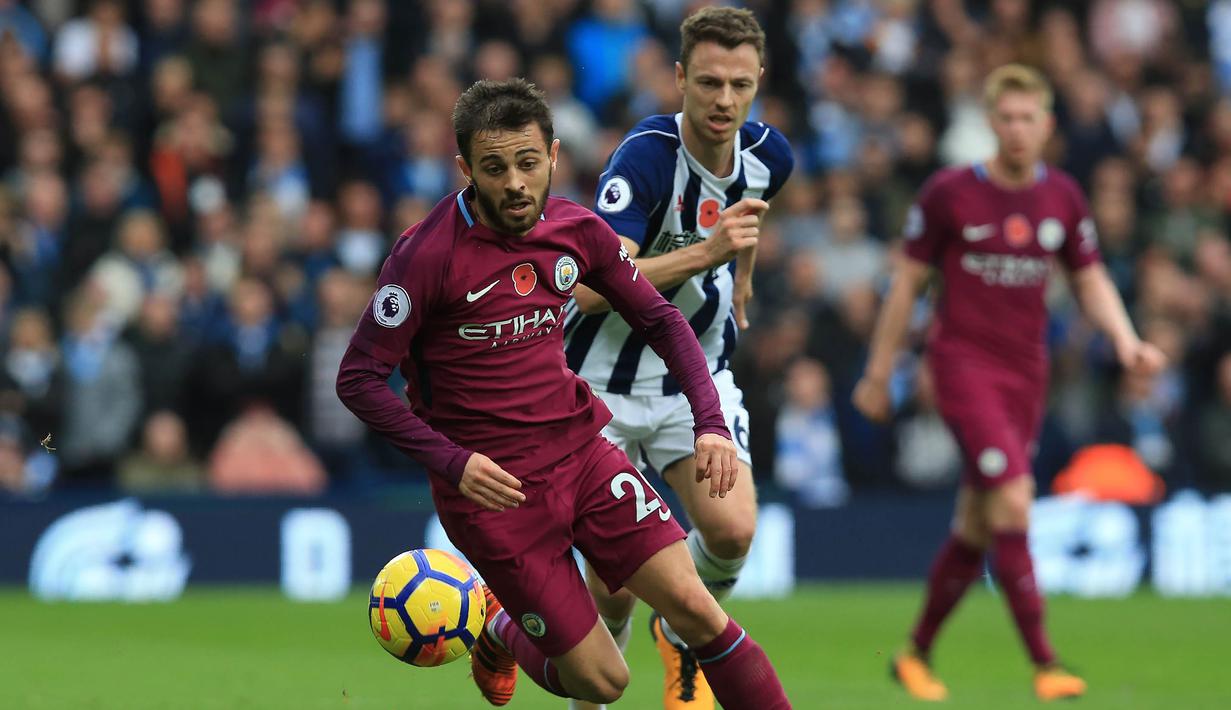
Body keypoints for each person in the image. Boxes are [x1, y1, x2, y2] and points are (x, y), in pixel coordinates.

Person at [336, 78, 790, 709]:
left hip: (584, 456)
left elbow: (661, 320)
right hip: (494, 495)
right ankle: (499, 625)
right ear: (465, 168)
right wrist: (452, 462)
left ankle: (503, 627)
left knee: (697, 609)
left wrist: (709, 422)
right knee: (605, 681)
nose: (516, 183)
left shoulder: (577, 231)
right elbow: (356, 380)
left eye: (528, 163)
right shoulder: (425, 256)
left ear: (552, 155)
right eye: (495, 168)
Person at [852, 64, 1166, 702]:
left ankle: (913, 654)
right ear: (991, 124)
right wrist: (879, 373)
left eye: (1030, 119)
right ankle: (1046, 663)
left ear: (1046, 126)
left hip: (1028, 375)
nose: (1018, 130)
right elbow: (907, 284)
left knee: (977, 519)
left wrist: (1127, 340)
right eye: (1008, 118)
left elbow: (1089, 277)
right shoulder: (949, 194)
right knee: (1015, 500)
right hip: (962, 366)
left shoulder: (1063, 198)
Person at [563, 8, 792, 709]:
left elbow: (743, 214)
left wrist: (742, 271)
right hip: (599, 386)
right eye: (709, 83)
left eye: (740, 85)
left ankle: (680, 629)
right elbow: (598, 292)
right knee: (608, 587)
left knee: (732, 529)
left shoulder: (769, 156)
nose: (724, 101)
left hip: (691, 374)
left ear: (759, 83)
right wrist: (711, 255)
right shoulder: (644, 159)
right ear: (679, 79)